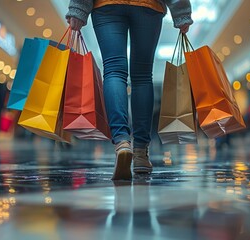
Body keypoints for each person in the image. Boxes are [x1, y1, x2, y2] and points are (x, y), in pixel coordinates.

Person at [66, 0, 193, 180]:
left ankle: (122, 142)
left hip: (107, 6)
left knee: (113, 71)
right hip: (148, 6)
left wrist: (78, 8)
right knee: (142, 76)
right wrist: (182, 13)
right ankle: (141, 152)